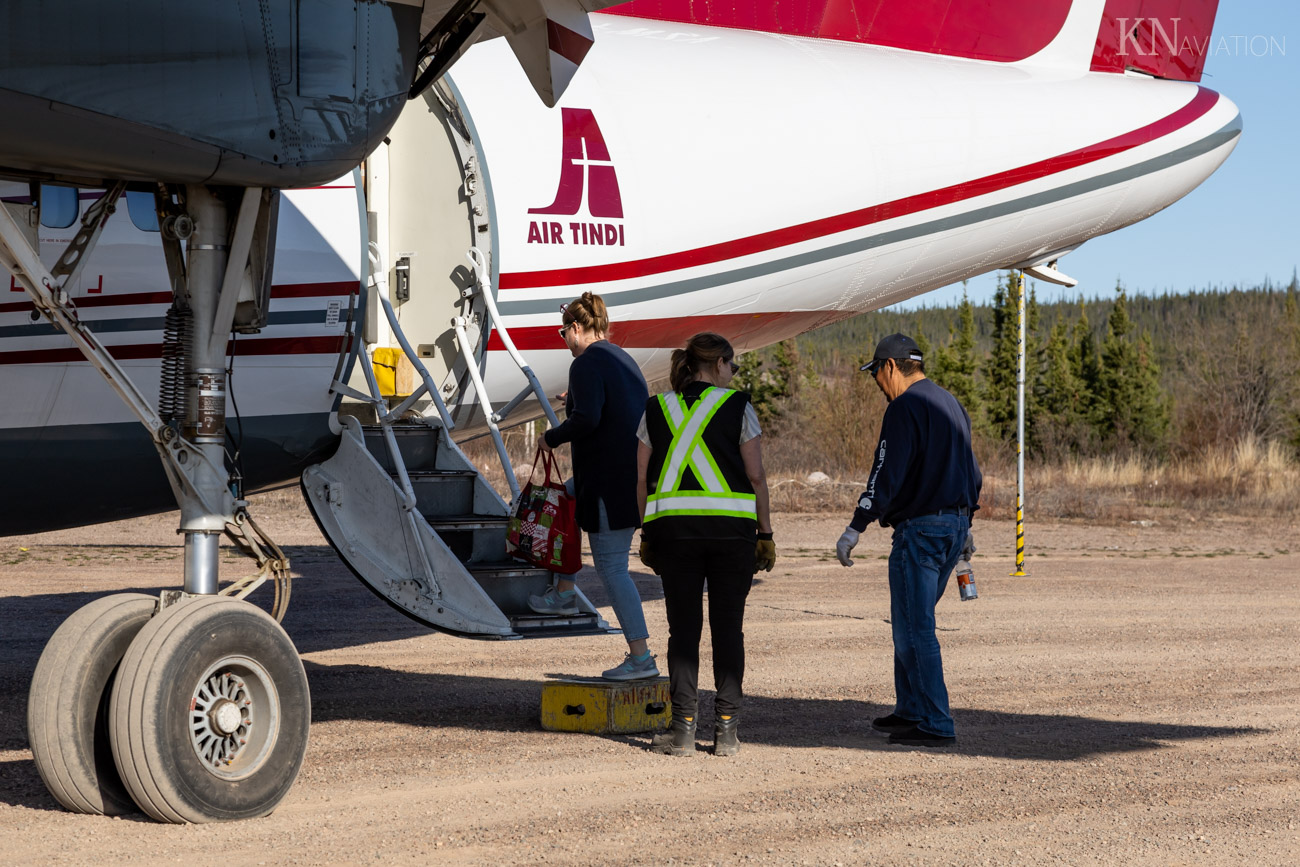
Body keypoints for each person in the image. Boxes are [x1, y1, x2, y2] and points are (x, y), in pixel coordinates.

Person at [835, 333, 981, 748]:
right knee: (909, 622)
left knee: (916, 627)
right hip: (952, 528)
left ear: (891, 367)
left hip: (921, 531)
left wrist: (856, 525)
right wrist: (966, 521)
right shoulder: (949, 401)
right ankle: (911, 709)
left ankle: (936, 722)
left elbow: (886, 471)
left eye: (877, 374)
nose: (878, 384)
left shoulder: (904, 408)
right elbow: (970, 467)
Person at [636, 332, 775, 757]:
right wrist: (765, 534)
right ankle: (727, 732)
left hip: (675, 537)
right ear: (717, 365)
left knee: (684, 631)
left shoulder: (656, 408)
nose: (734, 374)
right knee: (727, 629)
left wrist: (647, 532)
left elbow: (640, 479)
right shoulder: (738, 407)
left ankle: (682, 732)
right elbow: (755, 477)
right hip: (732, 537)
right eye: (732, 366)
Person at [531, 292, 659, 681]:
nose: (563, 341)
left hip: (606, 482)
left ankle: (641, 657)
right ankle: (565, 590)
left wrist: (551, 437)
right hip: (628, 476)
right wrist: (577, 401)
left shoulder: (585, 363)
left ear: (575, 328)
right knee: (566, 498)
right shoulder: (622, 358)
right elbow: (611, 408)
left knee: (611, 568)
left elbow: (587, 420)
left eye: (562, 332)